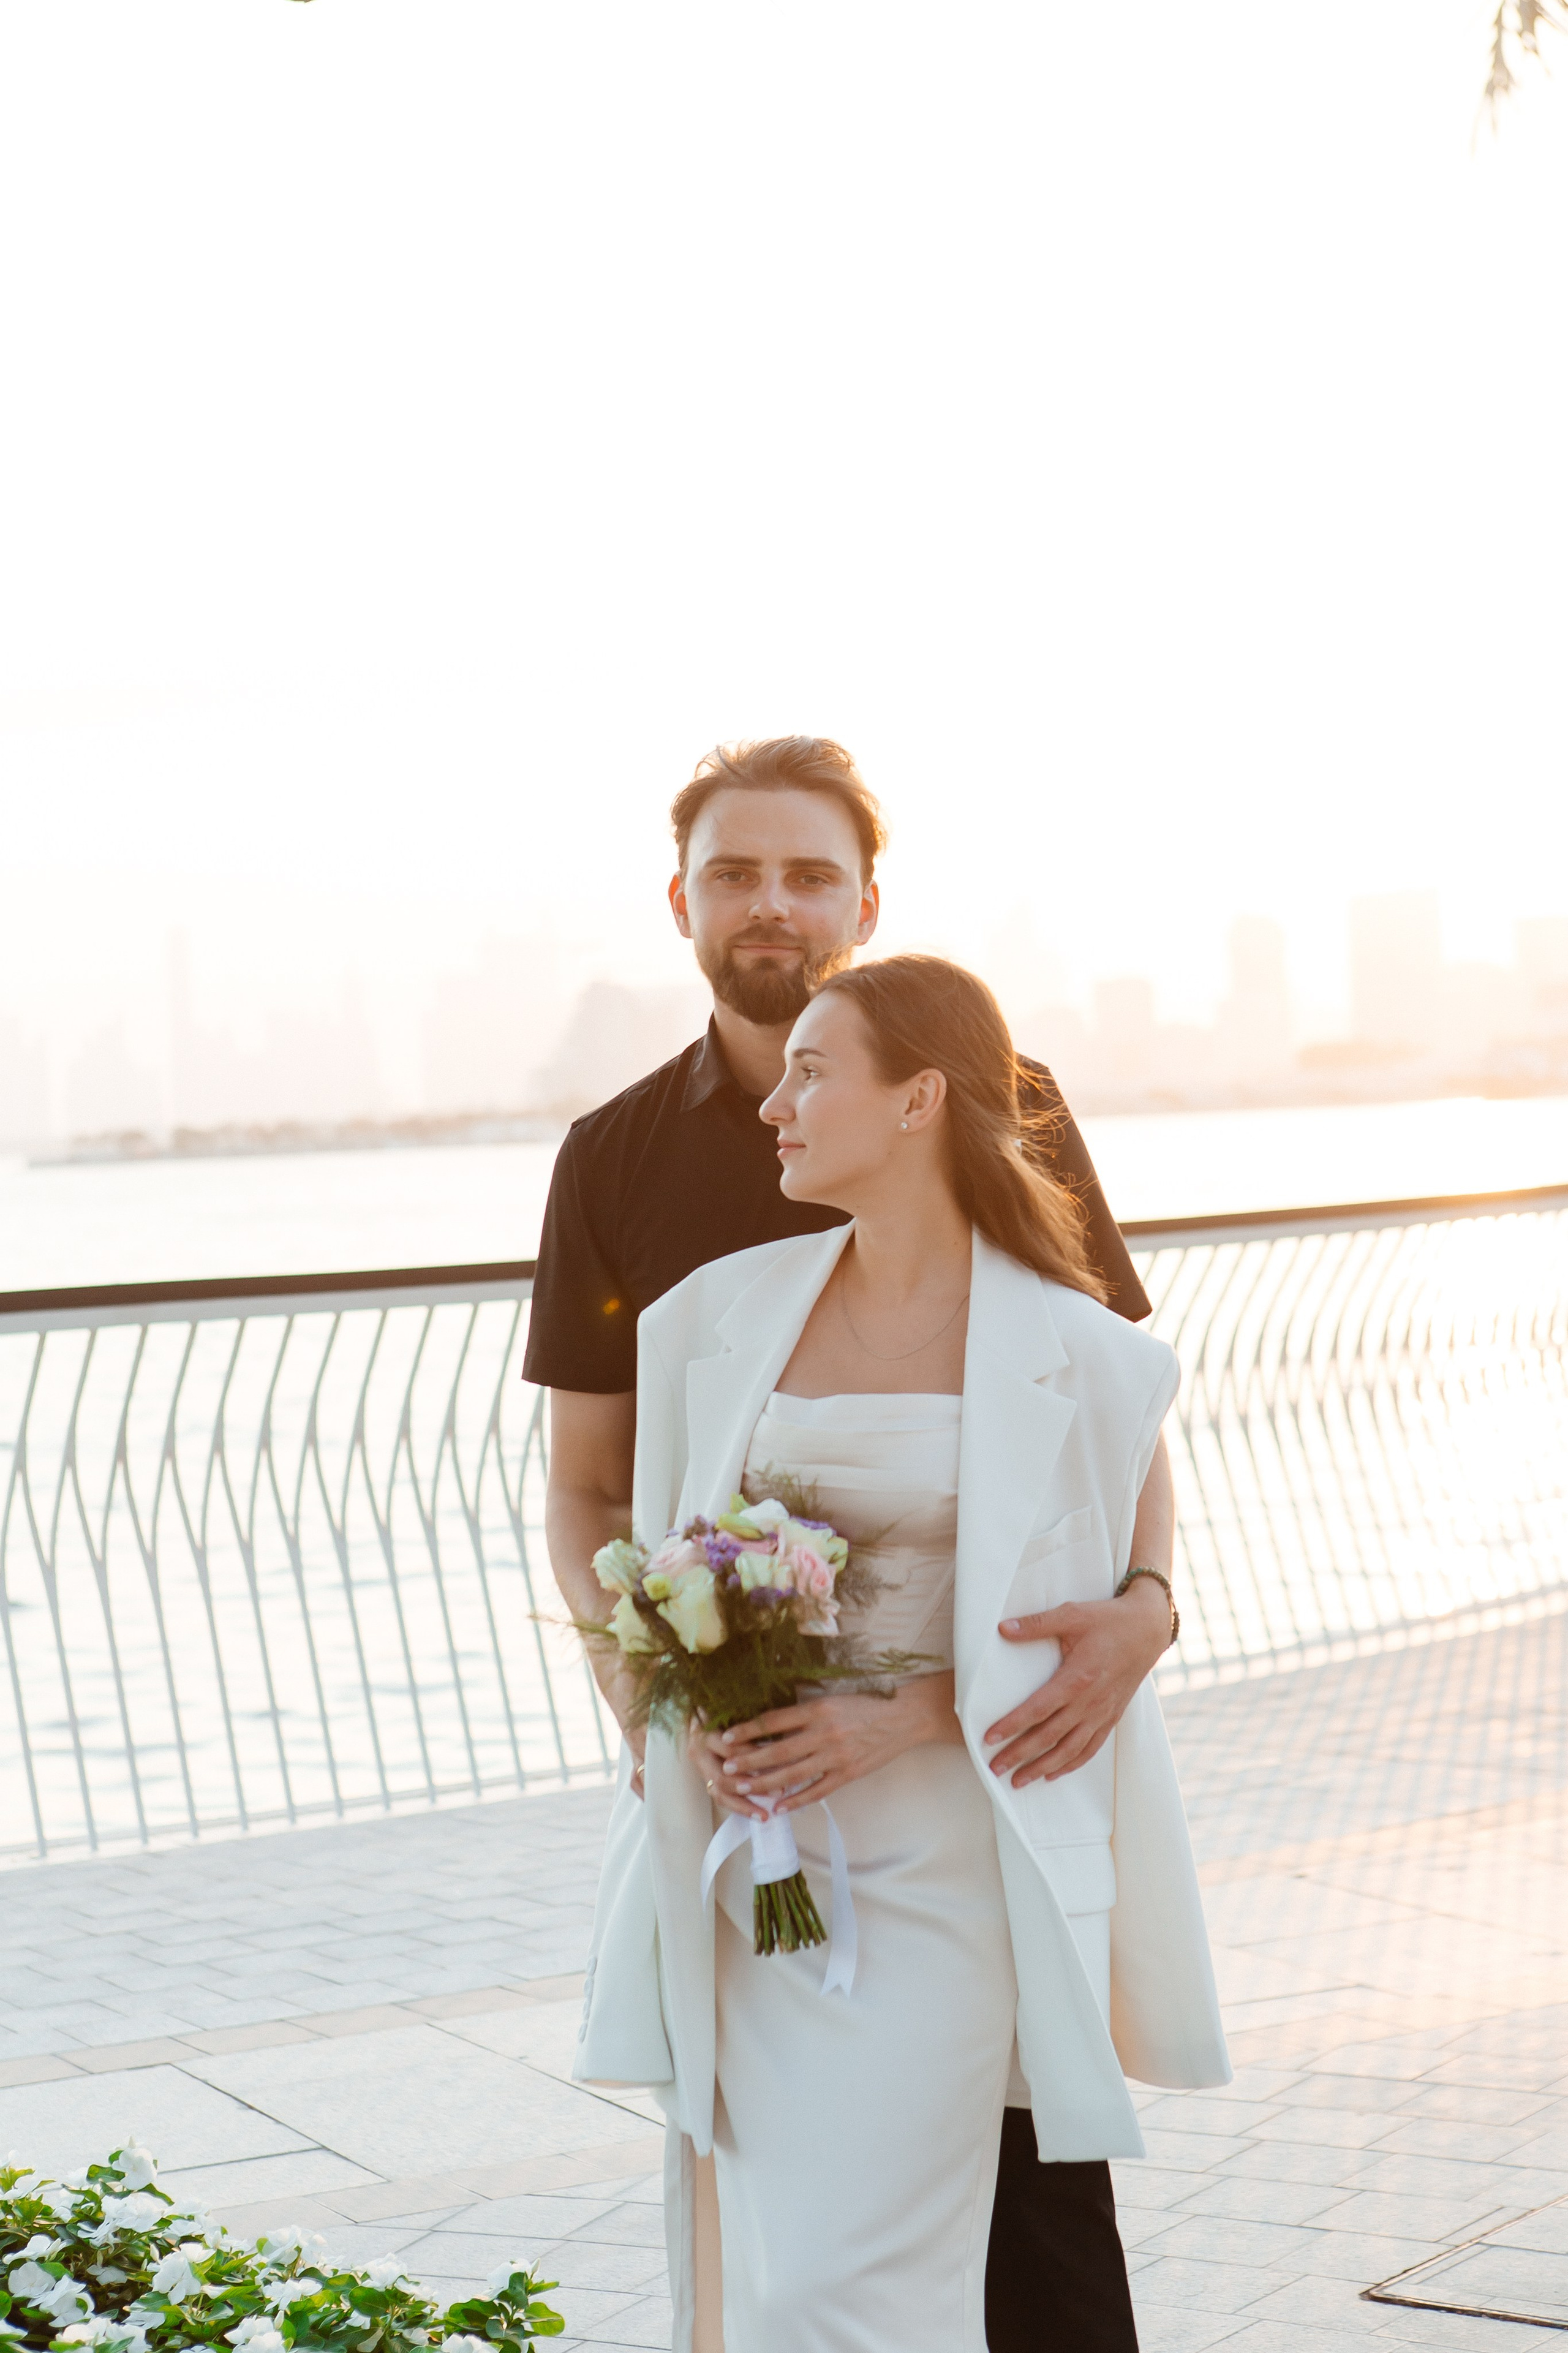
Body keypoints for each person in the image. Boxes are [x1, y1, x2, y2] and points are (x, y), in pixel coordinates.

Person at [526, 737, 1182, 2346]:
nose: (774, 903)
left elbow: (1099, 1417)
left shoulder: (1003, 1100)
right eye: (738, 871)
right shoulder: (617, 1158)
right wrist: (665, 1711)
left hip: (977, 1781)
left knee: (1033, 2209)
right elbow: (589, 1492)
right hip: (765, 1808)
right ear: (681, 898)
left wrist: (1149, 1607)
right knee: (770, 2175)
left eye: (810, 872)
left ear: (868, 898)